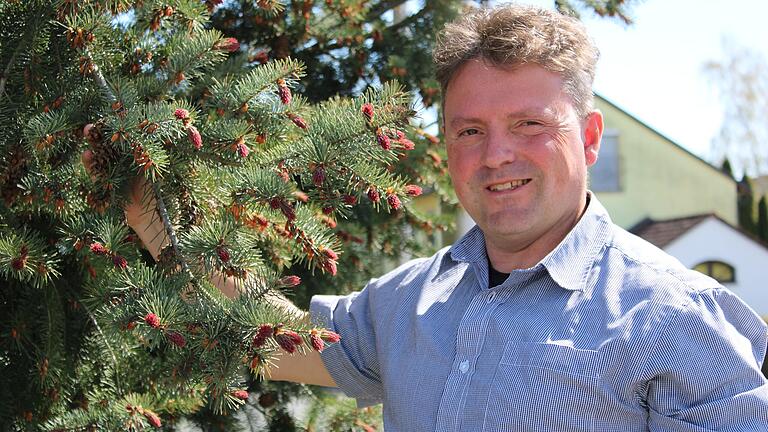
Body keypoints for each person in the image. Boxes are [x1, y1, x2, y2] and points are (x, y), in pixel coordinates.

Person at [118, 4, 768, 431]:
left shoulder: (679, 319)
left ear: (591, 137)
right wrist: (151, 218)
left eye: (528, 125)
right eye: (469, 131)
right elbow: (271, 340)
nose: (496, 156)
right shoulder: (404, 304)